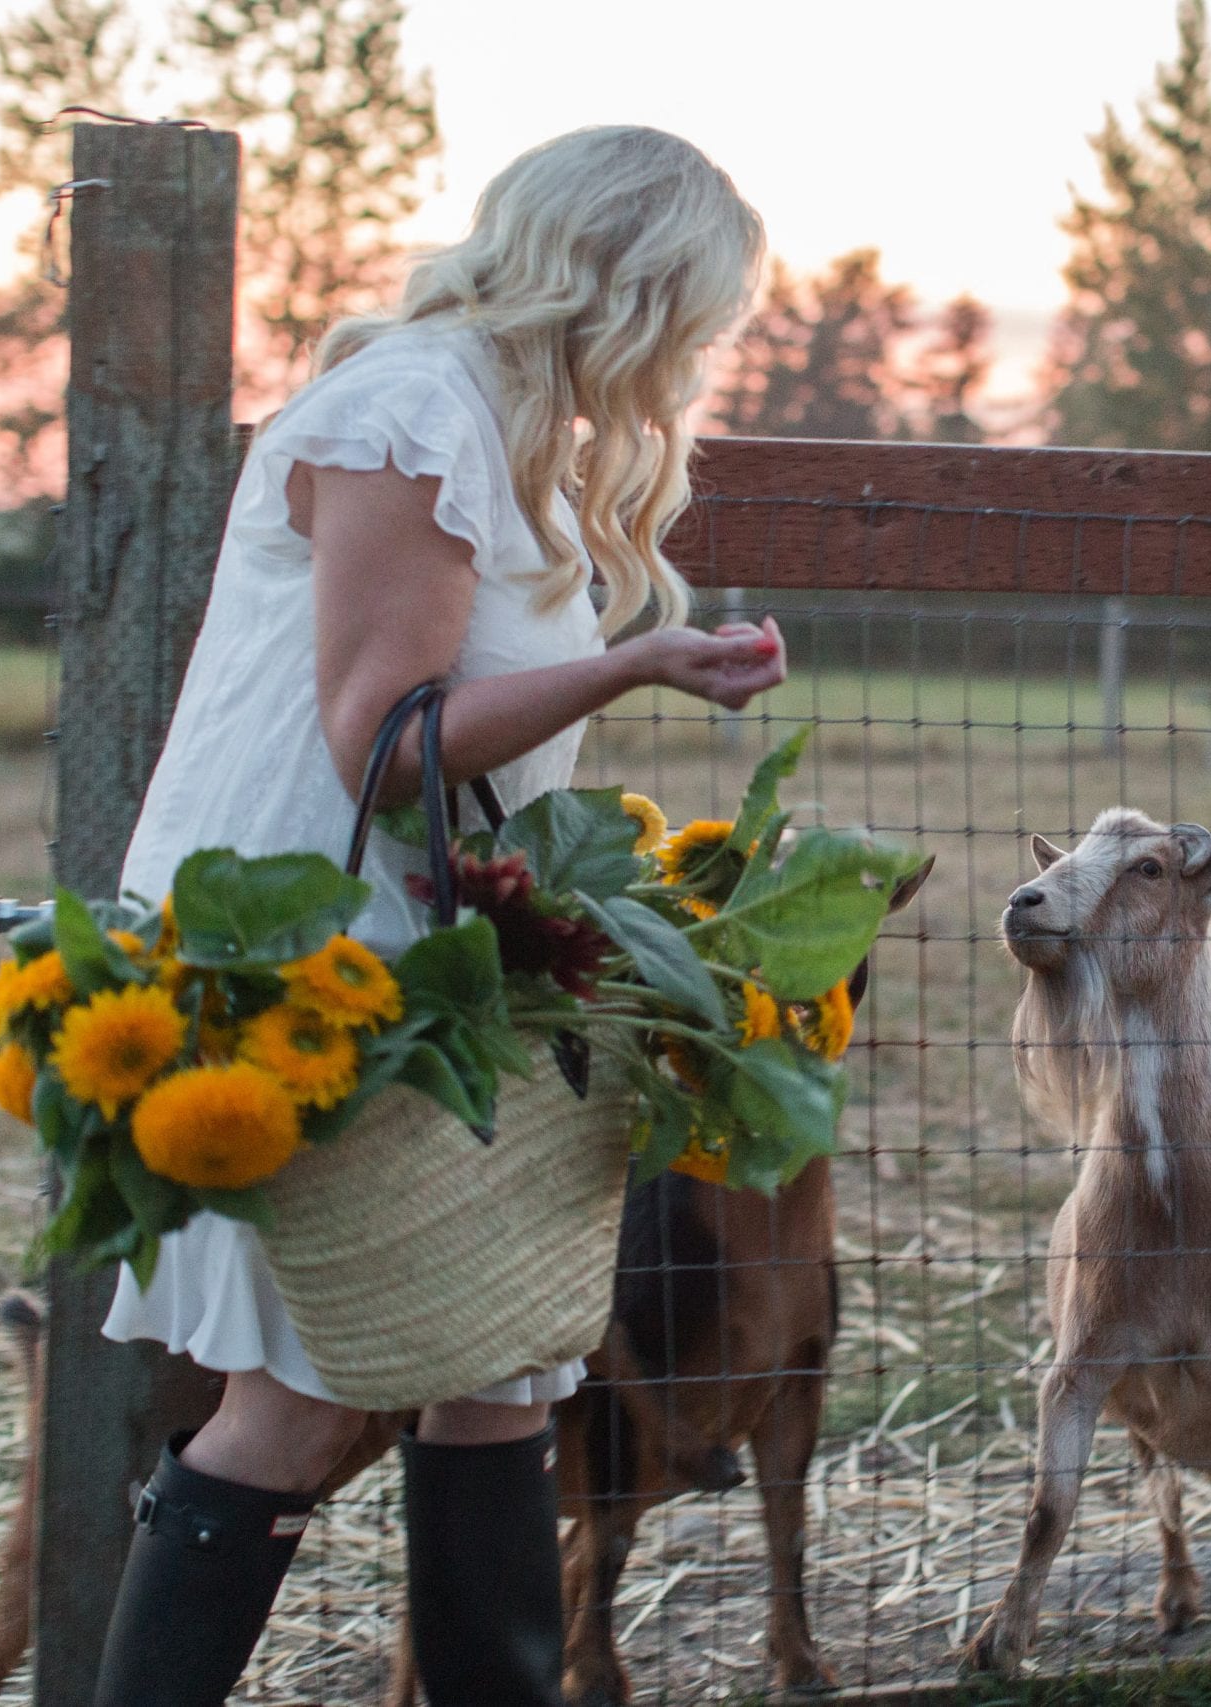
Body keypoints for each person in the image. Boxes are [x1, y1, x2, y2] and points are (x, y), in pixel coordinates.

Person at [90, 126, 782, 1707]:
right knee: (299, 1396)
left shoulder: (512, 427)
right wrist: (635, 662)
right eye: (698, 315)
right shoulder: (412, 408)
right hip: (307, 959)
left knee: (497, 1370)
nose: (699, 355)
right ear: (625, 286)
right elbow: (382, 734)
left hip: (442, 957)